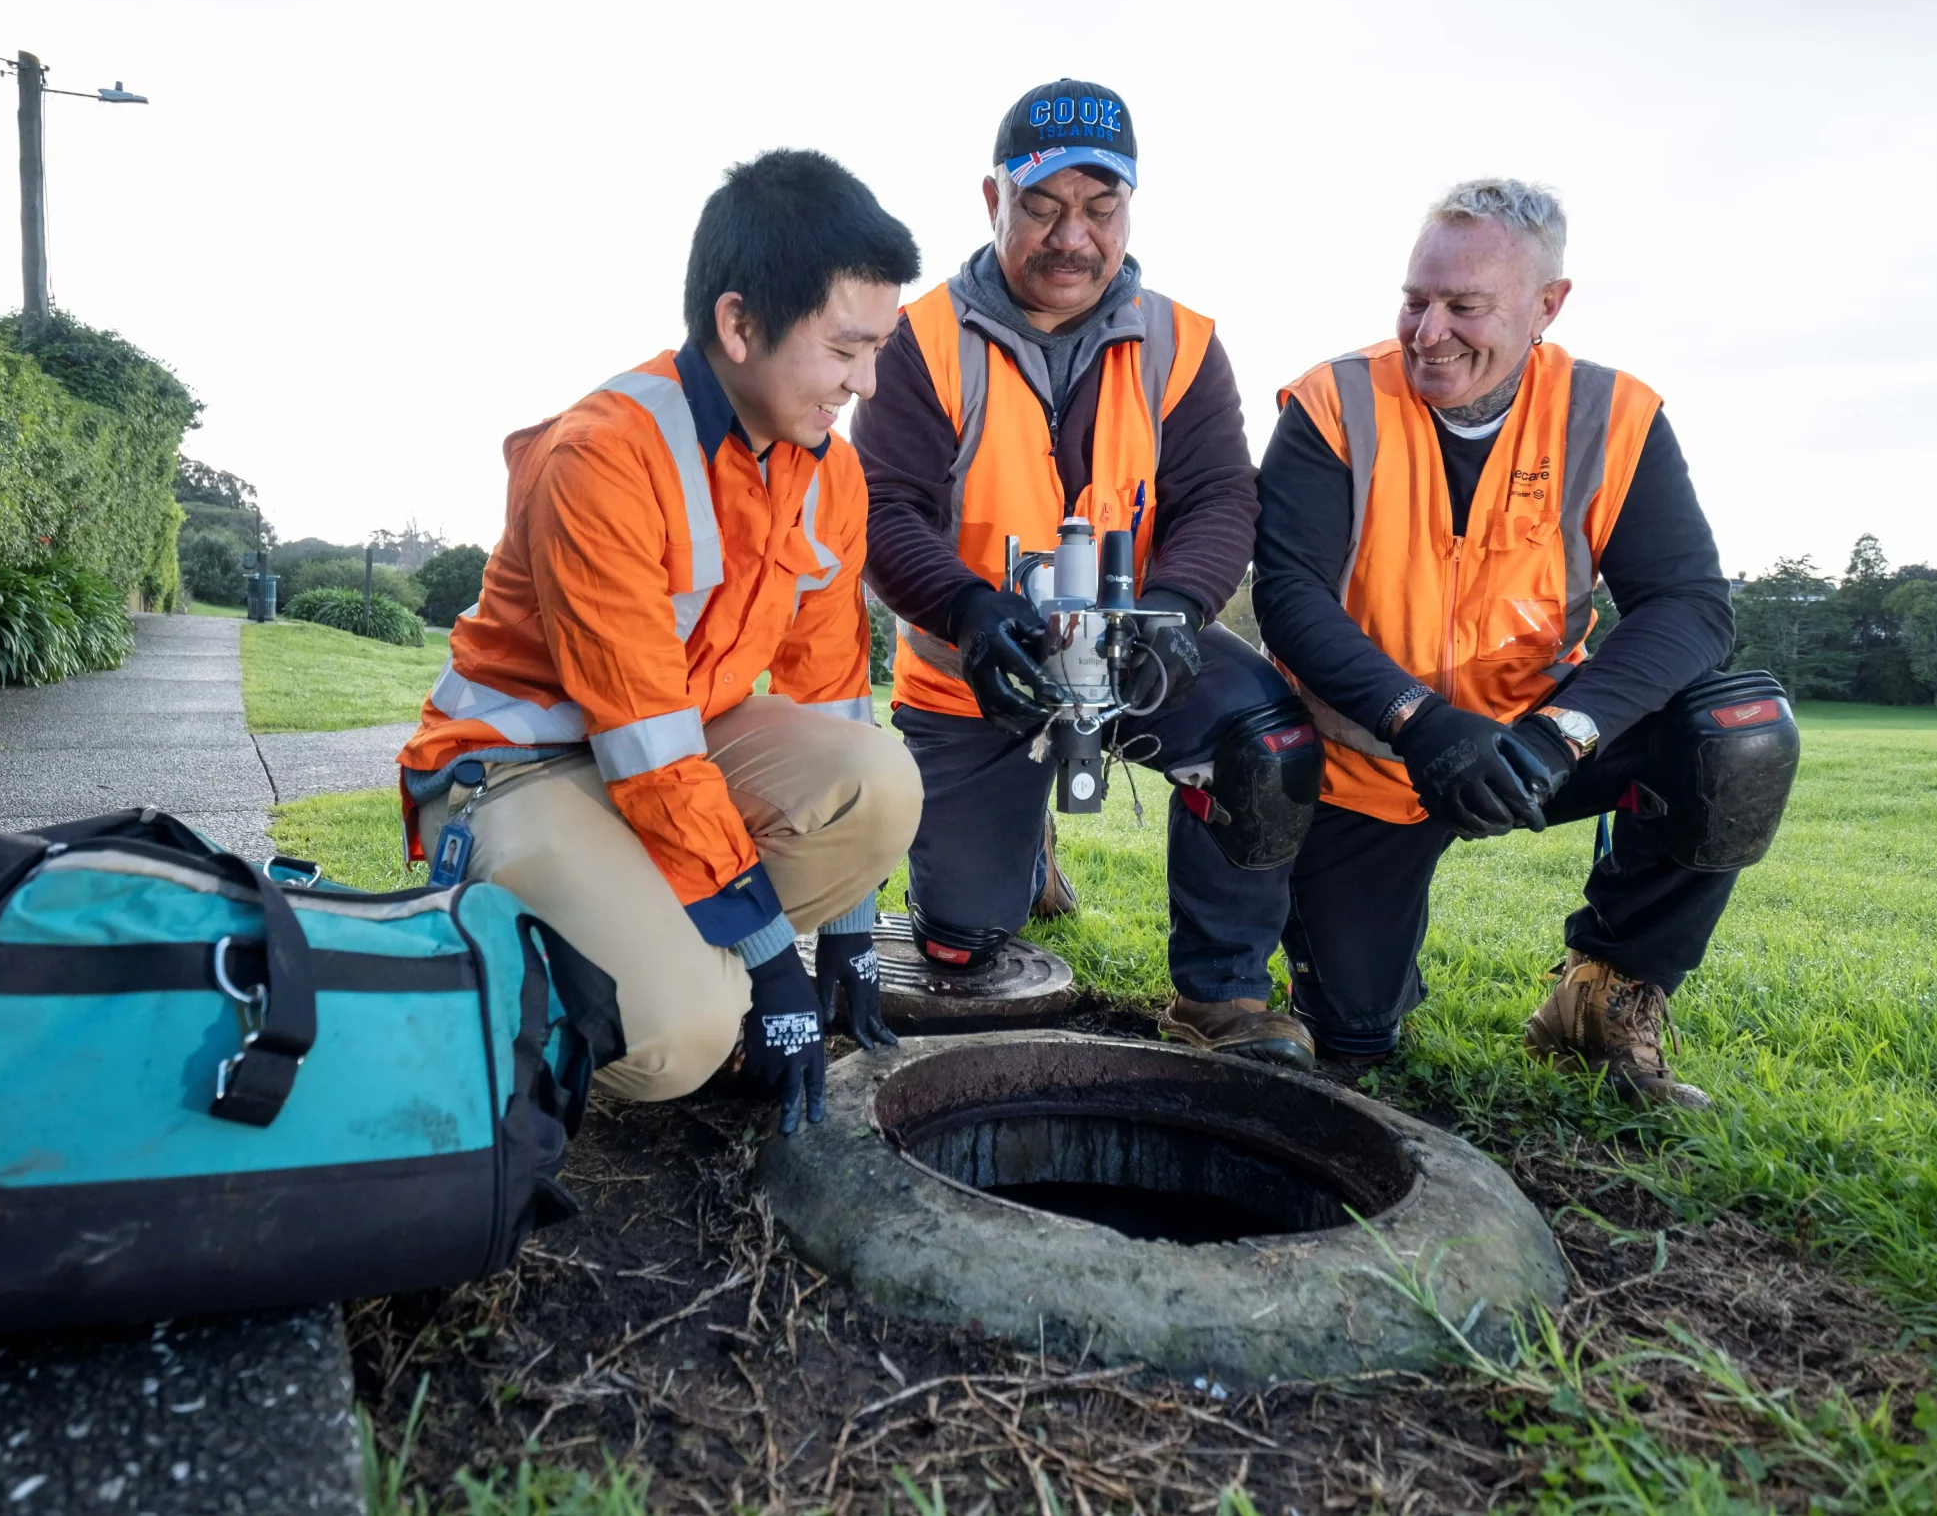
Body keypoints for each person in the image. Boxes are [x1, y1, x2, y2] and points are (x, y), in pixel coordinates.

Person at [397, 150, 925, 1133]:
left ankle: (672, 947)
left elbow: (833, 695)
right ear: (738, 324)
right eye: (847, 350)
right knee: (675, 1036)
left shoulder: (830, 475)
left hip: (675, 756)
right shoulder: (604, 455)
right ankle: (606, 970)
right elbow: (643, 737)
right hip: (516, 772)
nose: (868, 383)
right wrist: (771, 965)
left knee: (880, 776)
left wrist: (850, 933)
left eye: (881, 349)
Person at [1254, 179, 1788, 1109]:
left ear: (1549, 305)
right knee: (1352, 1041)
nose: (1428, 333)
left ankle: (1603, 999)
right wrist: (1419, 722)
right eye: (1416, 300)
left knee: (1738, 733)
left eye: (1465, 307)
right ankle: (1340, 983)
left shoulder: (1612, 416)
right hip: (1374, 753)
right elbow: (1289, 597)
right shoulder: (1331, 403)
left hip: (1533, 741)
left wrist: (1560, 735)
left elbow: (1691, 607)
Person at [855, 79, 1324, 1071]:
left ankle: (1224, 992)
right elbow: (883, 512)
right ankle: (1015, 851)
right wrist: (972, 615)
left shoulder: (1183, 343)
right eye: (1042, 205)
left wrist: (1173, 611)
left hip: (1136, 652)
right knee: (957, 947)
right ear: (992, 201)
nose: (1072, 237)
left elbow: (1217, 505)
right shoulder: (916, 339)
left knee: (1265, 741)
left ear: (1129, 209)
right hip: (978, 669)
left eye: (1099, 207)